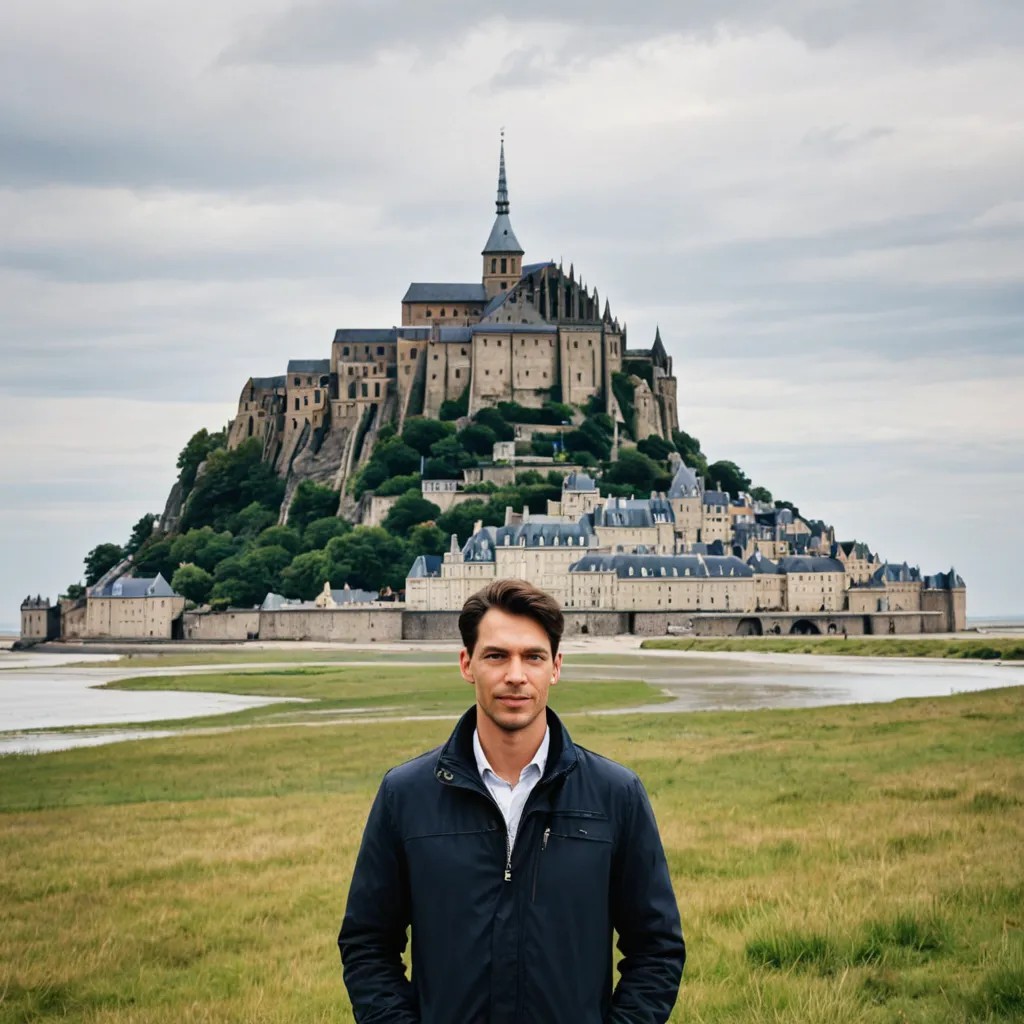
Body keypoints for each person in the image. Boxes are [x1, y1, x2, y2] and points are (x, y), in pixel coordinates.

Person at [338, 578, 685, 1023]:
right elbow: (367, 944)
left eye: (533, 657)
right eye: (497, 655)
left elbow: (656, 949)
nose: (516, 675)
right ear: (467, 664)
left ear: (556, 667)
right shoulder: (405, 794)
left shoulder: (616, 794)